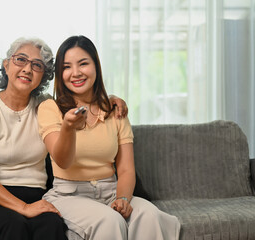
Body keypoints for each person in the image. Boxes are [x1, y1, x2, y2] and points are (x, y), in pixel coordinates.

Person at [0, 37, 129, 240]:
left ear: (44, 76)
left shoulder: (46, 106)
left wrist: (110, 99)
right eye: (20, 60)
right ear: (6, 65)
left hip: (35, 194)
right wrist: (23, 207)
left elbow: (82, 100)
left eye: (37, 65)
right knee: (15, 225)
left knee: (52, 226)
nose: (27, 69)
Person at [37, 35, 181, 240]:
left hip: (111, 190)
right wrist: (68, 128)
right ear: (60, 73)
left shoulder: (115, 110)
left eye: (83, 63)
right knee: (109, 220)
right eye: (67, 67)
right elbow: (62, 160)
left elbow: (125, 169)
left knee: (149, 215)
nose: (76, 73)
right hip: (69, 195)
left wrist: (123, 198)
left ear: (96, 66)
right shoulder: (50, 108)